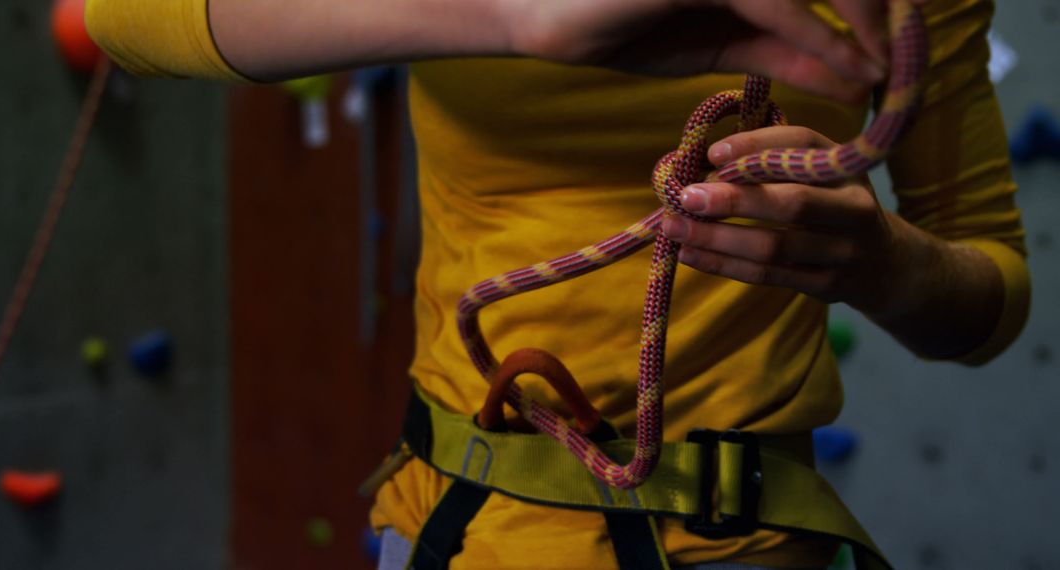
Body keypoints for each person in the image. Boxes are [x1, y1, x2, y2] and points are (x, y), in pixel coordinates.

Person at [86, 0, 1029, 568]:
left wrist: (891, 267)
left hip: (750, 542)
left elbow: (987, 295)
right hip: (468, 529)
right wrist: (511, 14)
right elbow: (124, 17)